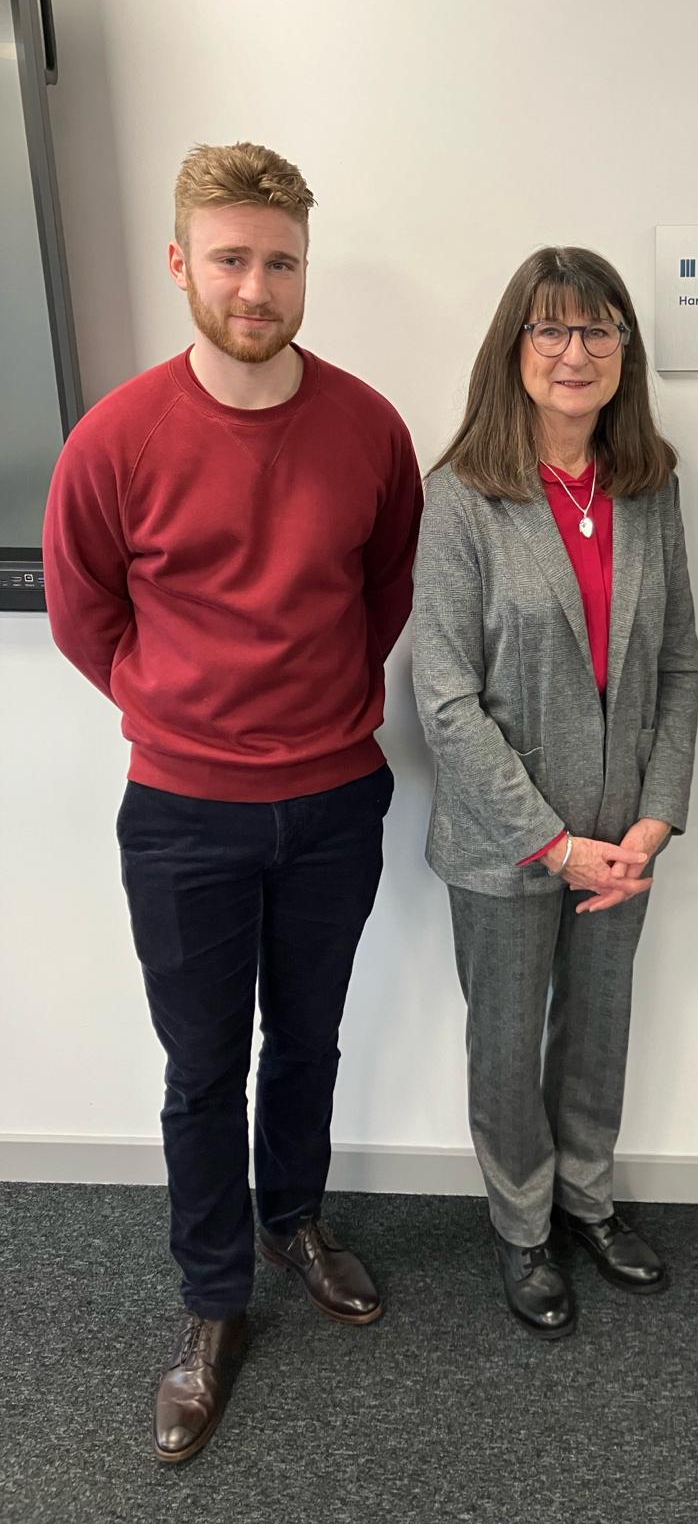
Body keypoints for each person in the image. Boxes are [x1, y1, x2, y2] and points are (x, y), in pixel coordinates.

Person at [43, 142, 423, 1460]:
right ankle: (212, 1305)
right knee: (202, 1070)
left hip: (335, 800)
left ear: (304, 269)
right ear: (181, 265)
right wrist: (183, 713)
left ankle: (294, 1217)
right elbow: (86, 616)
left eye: (279, 261)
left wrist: (316, 718)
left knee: (308, 1037)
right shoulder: (117, 437)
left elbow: (384, 592)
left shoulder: (368, 427)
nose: (255, 285)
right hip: (183, 814)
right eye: (230, 259)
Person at [412, 246, 698, 1338]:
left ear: (626, 351)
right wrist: (552, 843)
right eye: (551, 330)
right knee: (505, 1040)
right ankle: (525, 1225)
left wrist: (654, 820)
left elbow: (681, 662)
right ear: (515, 349)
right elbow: (443, 701)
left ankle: (588, 1197)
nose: (575, 352)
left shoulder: (651, 488)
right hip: (506, 846)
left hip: (624, 838)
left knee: (599, 1028)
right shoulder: (462, 501)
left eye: (598, 331)